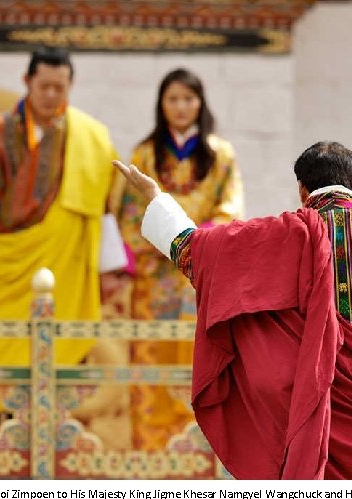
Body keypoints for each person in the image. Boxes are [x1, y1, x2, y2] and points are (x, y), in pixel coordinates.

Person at [113, 141, 352, 479]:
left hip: (298, 412)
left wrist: (157, 197)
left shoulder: (277, 236)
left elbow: (196, 250)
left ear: (302, 190)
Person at [0, 47, 126, 429]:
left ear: (70, 86)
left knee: (63, 363)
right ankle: (5, 452)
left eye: (59, 87)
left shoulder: (91, 137)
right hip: (8, 269)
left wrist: (110, 267)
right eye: (44, 86)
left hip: (70, 271)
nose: (51, 95)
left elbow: (104, 207)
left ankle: (60, 457)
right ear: (27, 82)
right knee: (1, 357)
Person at [116, 68, 244, 450]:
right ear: (161, 104)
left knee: (199, 362)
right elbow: (127, 214)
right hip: (154, 280)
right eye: (173, 99)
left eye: (188, 98)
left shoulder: (221, 154)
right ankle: (151, 456)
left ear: (200, 103)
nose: (181, 107)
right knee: (151, 364)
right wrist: (161, 242)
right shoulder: (144, 153)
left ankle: (201, 456)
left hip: (201, 277)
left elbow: (231, 210)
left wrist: (196, 239)